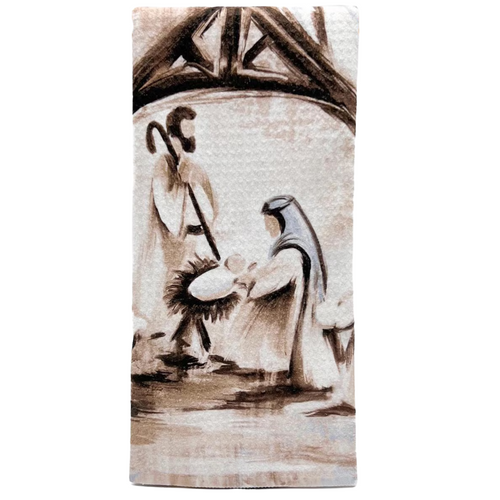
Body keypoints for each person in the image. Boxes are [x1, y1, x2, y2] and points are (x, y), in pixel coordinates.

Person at [132, 106, 218, 375]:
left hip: (193, 239)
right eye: (187, 124)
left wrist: (191, 180)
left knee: (194, 291)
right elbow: (164, 201)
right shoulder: (164, 162)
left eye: (193, 125)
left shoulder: (190, 162)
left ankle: (188, 345)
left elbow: (207, 199)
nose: (192, 130)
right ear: (176, 126)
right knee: (174, 290)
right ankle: (161, 348)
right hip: (174, 241)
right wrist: (180, 183)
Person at [228, 195, 340, 390]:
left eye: (269, 222)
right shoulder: (291, 248)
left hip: (295, 314)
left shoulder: (290, 252)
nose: (267, 228)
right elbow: (270, 272)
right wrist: (253, 275)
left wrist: (249, 284)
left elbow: (271, 282)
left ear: (281, 221)